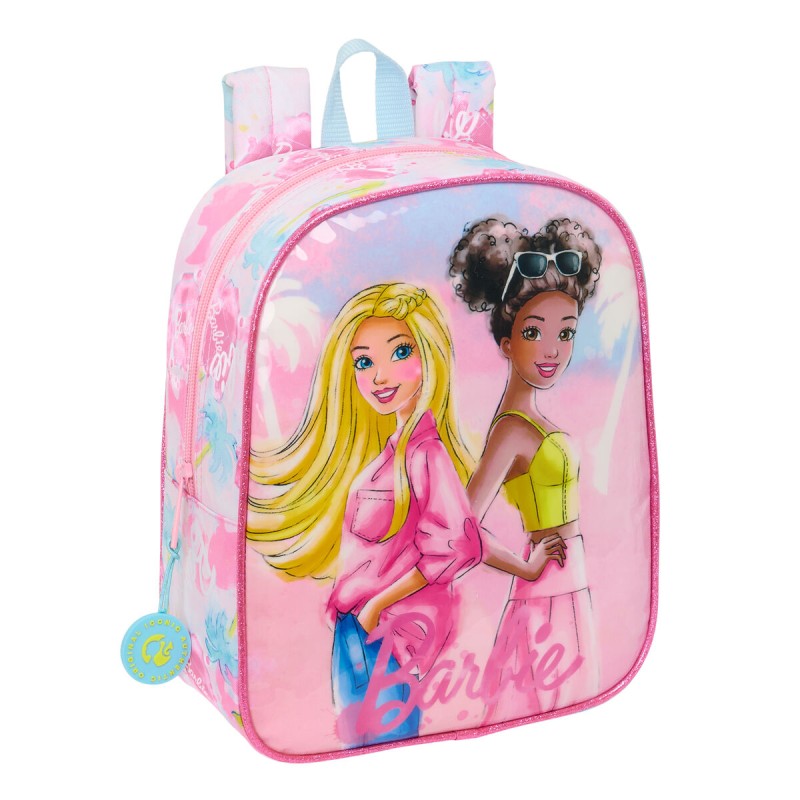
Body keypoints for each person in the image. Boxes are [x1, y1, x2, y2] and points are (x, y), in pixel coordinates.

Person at [247, 282, 562, 747]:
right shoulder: (395, 453)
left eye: (400, 353)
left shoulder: (423, 452)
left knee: (379, 747)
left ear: (429, 357)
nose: (380, 376)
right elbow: (465, 530)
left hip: (386, 633)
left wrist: (377, 605)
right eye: (363, 362)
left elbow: (455, 544)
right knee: (367, 746)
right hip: (360, 627)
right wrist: (524, 567)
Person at [449, 217, 602, 720]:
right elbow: (460, 527)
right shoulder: (513, 429)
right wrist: (526, 566)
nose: (553, 350)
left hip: (569, 585)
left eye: (566, 332)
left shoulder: (529, 421)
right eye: (534, 332)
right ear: (506, 343)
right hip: (546, 593)